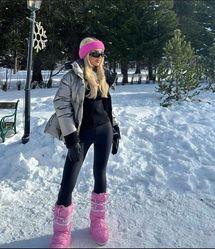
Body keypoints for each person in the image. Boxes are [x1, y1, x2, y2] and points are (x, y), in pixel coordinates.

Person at [44, 37, 121, 248]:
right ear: (85, 54)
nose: (99, 58)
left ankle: (98, 221)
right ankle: (61, 231)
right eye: (94, 54)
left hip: (103, 130)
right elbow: (62, 105)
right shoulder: (72, 77)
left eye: (102, 54)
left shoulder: (103, 75)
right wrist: (71, 138)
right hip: (81, 134)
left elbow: (107, 106)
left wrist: (114, 130)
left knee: (100, 173)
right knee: (69, 178)